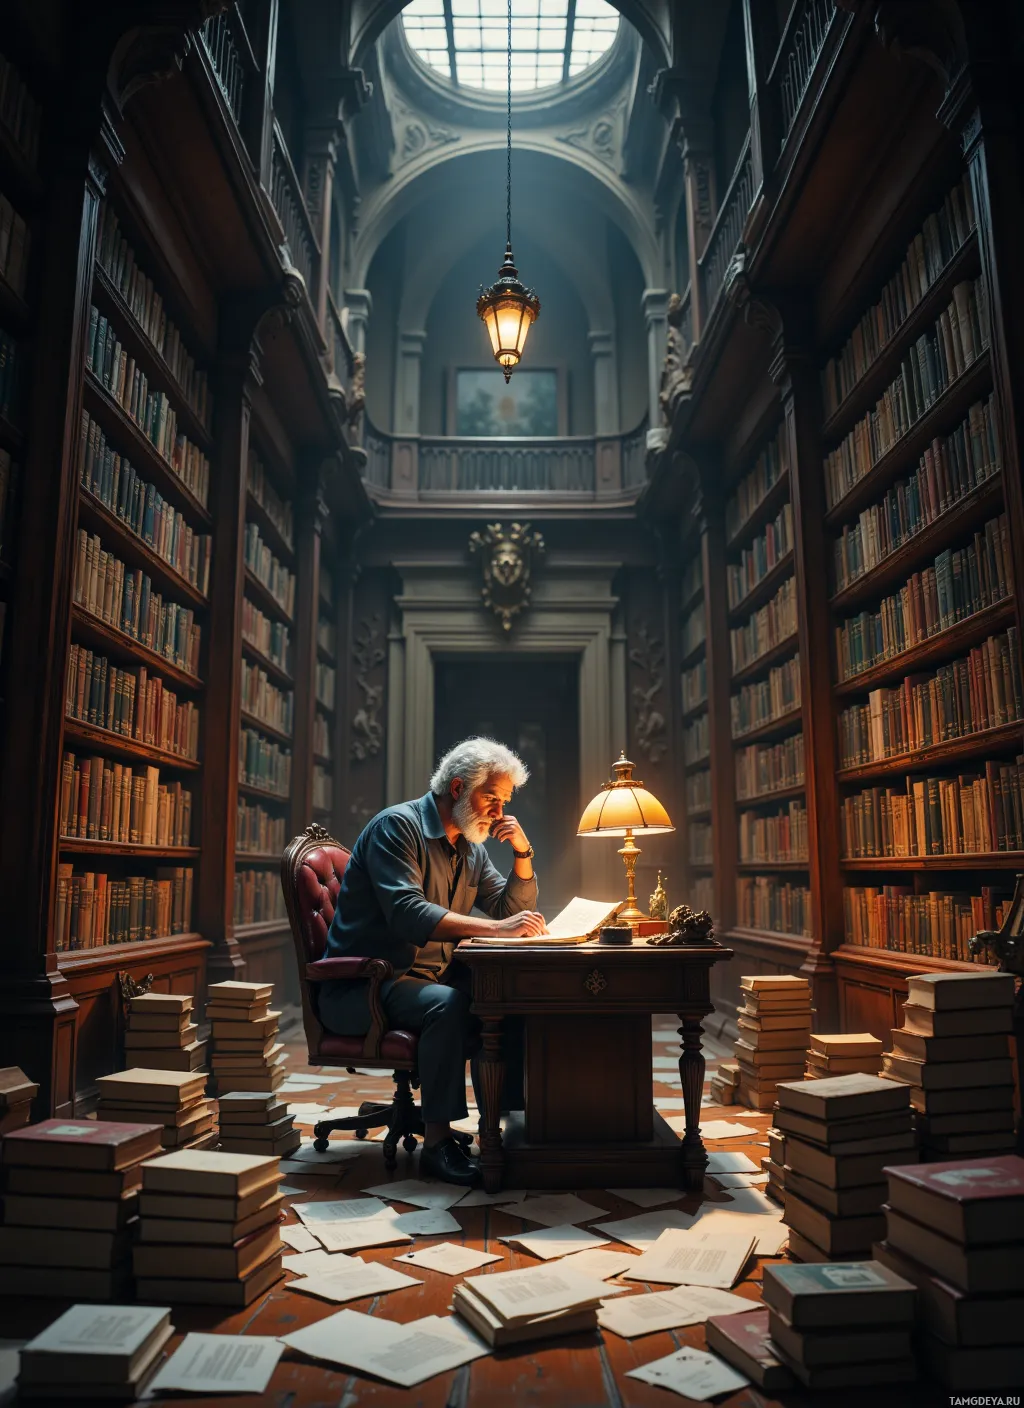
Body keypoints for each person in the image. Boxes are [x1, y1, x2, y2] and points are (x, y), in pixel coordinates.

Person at [317, 737, 547, 1185]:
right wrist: (499, 930)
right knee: (450, 1004)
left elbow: (503, 908)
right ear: (458, 788)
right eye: (492, 798)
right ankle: (437, 1145)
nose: (499, 813)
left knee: (508, 997)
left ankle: (502, 1129)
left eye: (504, 802)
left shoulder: (470, 846)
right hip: (362, 988)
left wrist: (523, 853)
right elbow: (407, 912)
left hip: (420, 979)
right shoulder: (397, 828)